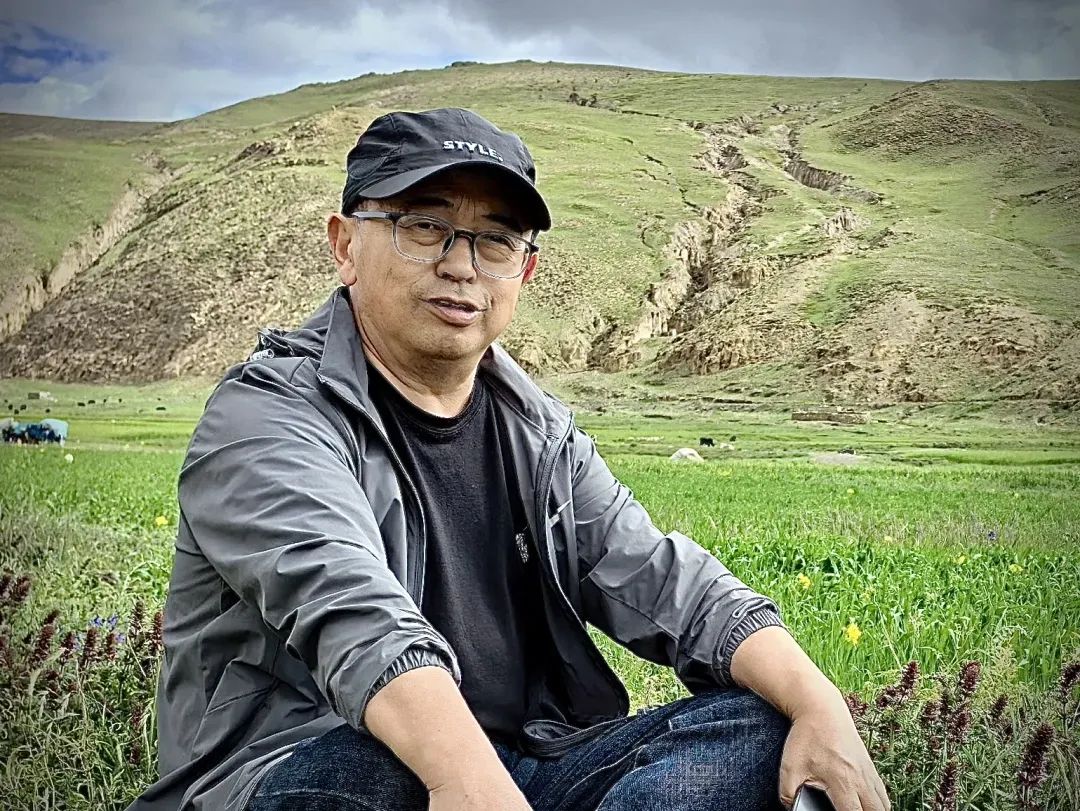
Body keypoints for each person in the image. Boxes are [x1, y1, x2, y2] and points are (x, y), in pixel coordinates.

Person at [128, 108, 889, 811]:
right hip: (304, 769)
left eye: (495, 240)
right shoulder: (266, 417)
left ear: (524, 272)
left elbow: (665, 580)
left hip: (520, 769)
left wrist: (820, 704)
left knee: (759, 729)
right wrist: (462, 778)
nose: (461, 265)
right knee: (375, 771)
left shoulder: (538, 432)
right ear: (345, 245)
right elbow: (353, 616)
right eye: (425, 226)